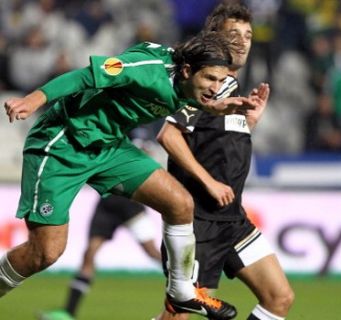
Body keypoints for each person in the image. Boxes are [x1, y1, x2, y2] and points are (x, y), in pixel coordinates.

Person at [1, 31, 258, 320]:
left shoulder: (189, 85)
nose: (216, 87)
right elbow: (85, 76)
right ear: (187, 70)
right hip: (63, 144)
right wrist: (35, 99)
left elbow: (182, 97)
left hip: (110, 147)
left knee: (180, 204)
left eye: (221, 81)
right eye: (211, 78)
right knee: (45, 253)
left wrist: (214, 106)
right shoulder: (146, 69)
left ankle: (182, 291)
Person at [155, 3, 294, 320]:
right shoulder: (204, 86)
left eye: (248, 34)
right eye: (234, 33)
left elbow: (216, 142)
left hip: (232, 221)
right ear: (213, 36)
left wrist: (249, 123)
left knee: (279, 297)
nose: (243, 40)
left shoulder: (231, 87)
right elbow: (169, 135)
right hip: (198, 223)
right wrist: (208, 182)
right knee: (178, 315)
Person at [38, 128, 163, 320]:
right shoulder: (118, 137)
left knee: (152, 252)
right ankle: (68, 313)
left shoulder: (142, 143)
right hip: (108, 204)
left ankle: (189, 283)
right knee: (89, 254)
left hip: (131, 205)